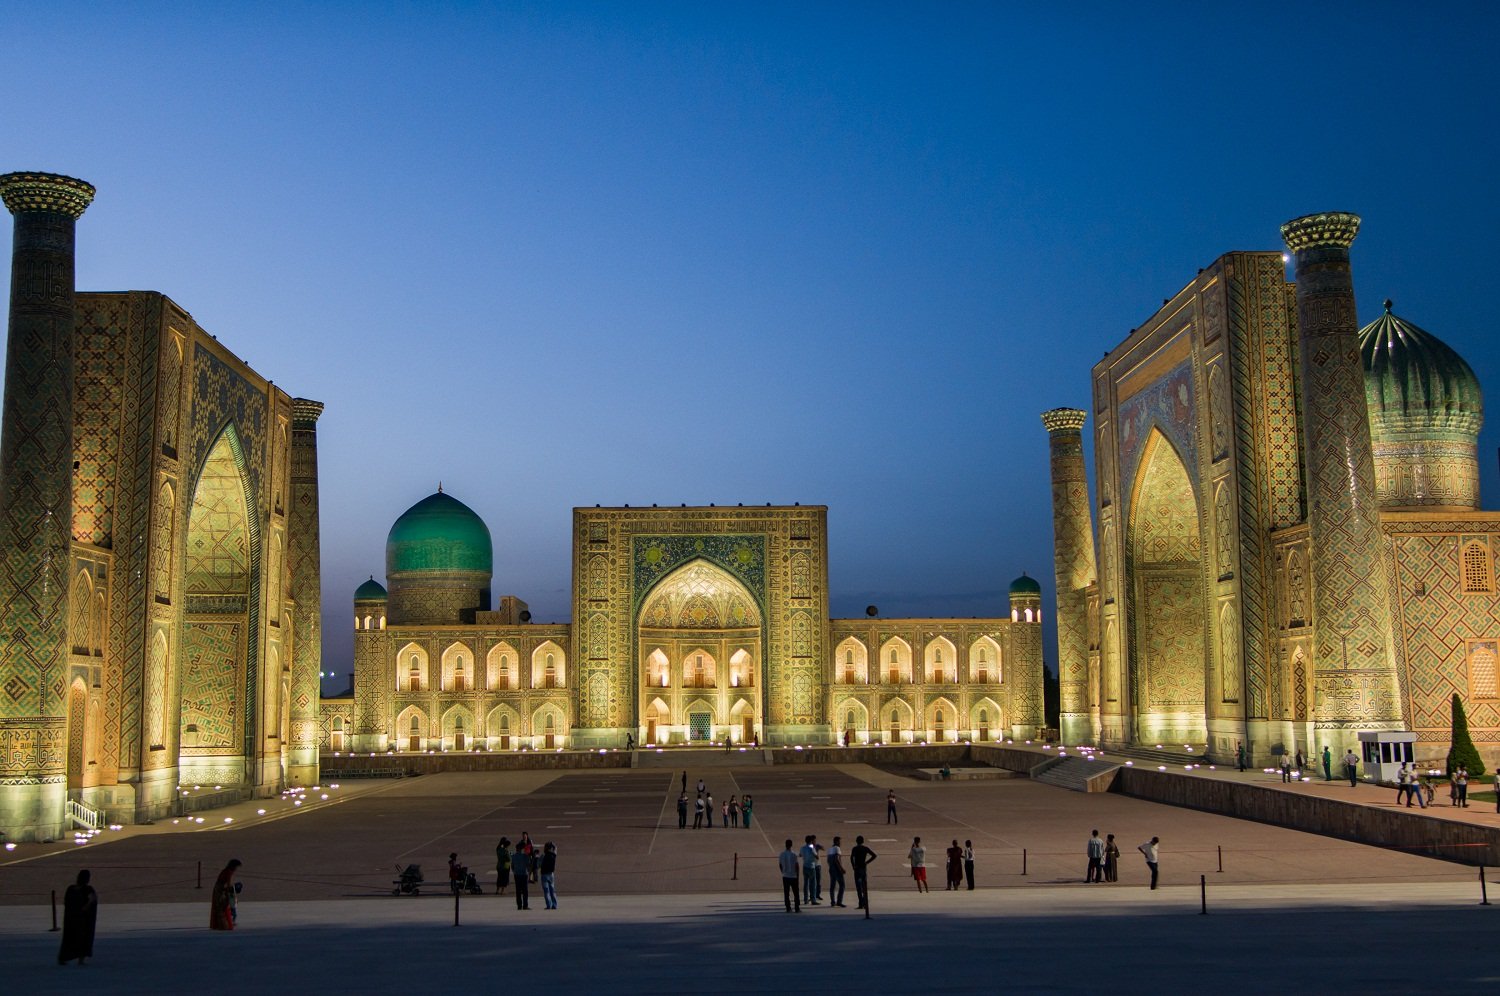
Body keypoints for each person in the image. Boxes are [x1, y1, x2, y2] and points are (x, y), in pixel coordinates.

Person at [57, 869, 98, 965]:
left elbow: (66, 902)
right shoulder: (87, 889)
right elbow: (91, 900)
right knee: (83, 938)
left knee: (69, 938)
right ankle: (80, 959)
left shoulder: (71, 889)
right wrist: (84, 908)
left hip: (71, 918)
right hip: (82, 919)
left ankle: (64, 958)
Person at [209, 859, 241, 930]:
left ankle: (219, 924)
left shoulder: (226, 870)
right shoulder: (229, 872)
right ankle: (223, 925)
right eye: (236, 867)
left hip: (219, 889)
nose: (236, 869)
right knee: (221, 908)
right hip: (220, 891)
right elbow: (228, 884)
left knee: (219, 908)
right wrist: (231, 893)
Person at [851, 836, 877, 909]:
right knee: (864, 886)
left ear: (856, 841)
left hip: (857, 869)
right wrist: (866, 862)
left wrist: (853, 866)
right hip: (863, 868)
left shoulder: (855, 848)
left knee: (858, 887)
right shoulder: (865, 848)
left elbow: (851, 858)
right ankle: (865, 902)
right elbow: (874, 855)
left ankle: (861, 903)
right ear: (863, 841)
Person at [779, 840, 801, 913]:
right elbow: (797, 865)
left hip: (785, 876)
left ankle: (788, 907)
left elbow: (780, 865)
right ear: (791, 845)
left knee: (786, 893)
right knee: (796, 893)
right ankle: (797, 907)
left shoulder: (782, 854)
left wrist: (783, 872)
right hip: (793, 876)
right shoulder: (794, 854)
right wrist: (797, 875)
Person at [801, 835, 822, 905]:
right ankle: (813, 900)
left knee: (806, 884)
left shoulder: (803, 848)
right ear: (811, 841)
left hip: (805, 866)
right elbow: (817, 856)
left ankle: (806, 899)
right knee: (813, 884)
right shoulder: (812, 847)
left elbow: (800, 855)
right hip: (811, 867)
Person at [827, 836, 847, 907]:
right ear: (837, 842)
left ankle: (832, 902)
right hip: (837, 870)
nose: (840, 843)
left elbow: (828, 861)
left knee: (832, 886)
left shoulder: (829, 849)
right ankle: (839, 901)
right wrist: (841, 868)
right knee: (842, 885)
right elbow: (837, 859)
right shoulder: (837, 848)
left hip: (831, 869)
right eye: (839, 841)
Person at [512, 842, 531, 909]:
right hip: (524, 874)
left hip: (517, 875)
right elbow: (528, 865)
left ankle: (519, 905)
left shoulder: (513, 856)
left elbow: (512, 866)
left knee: (518, 891)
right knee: (525, 891)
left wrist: (515, 871)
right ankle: (525, 905)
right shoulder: (525, 856)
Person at [540, 842, 558, 909]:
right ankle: (554, 905)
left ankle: (548, 905)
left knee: (546, 891)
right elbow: (555, 849)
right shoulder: (553, 855)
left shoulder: (543, 856)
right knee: (552, 890)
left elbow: (538, 864)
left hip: (544, 874)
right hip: (551, 874)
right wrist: (553, 845)